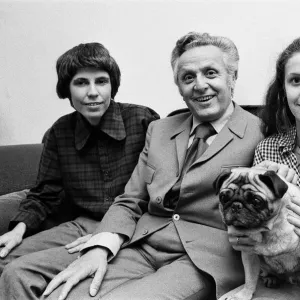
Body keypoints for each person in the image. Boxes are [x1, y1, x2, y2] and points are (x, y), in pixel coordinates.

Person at [39, 31, 266, 300]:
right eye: (188, 77)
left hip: (204, 260)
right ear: (179, 87)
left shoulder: (261, 132)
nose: (199, 85)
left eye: (211, 73)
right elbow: (130, 198)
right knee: (59, 296)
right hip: (141, 244)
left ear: (233, 77)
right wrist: (100, 247)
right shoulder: (159, 129)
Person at [0, 42, 159, 299]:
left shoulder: (143, 119)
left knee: (19, 271)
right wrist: (18, 229)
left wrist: (113, 233)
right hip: (81, 225)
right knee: (4, 260)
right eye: (82, 82)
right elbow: (45, 192)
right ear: (67, 89)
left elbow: (162, 185)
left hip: (133, 225)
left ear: (112, 86)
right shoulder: (60, 131)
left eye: (101, 81)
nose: (93, 92)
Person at [222, 37, 300, 300]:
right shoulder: (268, 150)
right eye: (296, 80)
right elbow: (256, 214)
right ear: (283, 89)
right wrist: (242, 234)